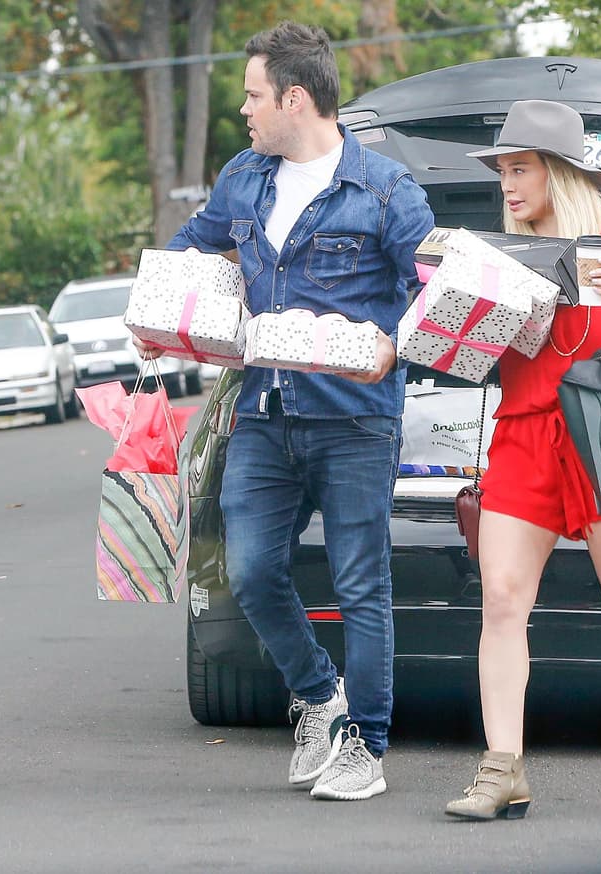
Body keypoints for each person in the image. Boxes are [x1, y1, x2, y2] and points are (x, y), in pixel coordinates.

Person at [137, 21, 434, 801]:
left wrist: (393, 348)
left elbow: (435, 288)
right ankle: (317, 694)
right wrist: (155, 318)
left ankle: (365, 749)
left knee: (361, 583)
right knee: (249, 568)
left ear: (294, 98)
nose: (245, 110)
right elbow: (193, 247)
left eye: (253, 95)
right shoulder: (245, 177)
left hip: (355, 418)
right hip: (264, 409)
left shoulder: (386, 190)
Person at [443, 99, 601, 819]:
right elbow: (471, 358)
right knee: (501, 603)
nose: (508, 185)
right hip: (523, 435)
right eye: (502, 172)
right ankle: (501, 770)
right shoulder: (498, 250)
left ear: (558, 172)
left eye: (520, 169)